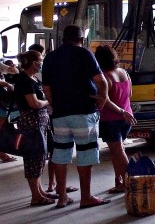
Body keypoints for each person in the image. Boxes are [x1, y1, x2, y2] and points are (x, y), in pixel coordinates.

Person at [42, 24, 111, 209]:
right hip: (84, 112)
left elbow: (46, 87)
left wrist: (54, 104)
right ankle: (86, 196)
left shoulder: (50, 57)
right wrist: (102, 99)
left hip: (60, 115)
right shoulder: (84, 54)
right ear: (81, 39)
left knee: (61, 153)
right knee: (86, 154)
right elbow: (101, 80)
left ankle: (63, 196)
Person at [13, 50, 54, 205]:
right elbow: (34, 103)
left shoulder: (33, 79)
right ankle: (35, 196)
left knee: (40, 157)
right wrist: (48, 102)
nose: (41, 63)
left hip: (39, 123)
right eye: (40, 60)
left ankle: (40, 191)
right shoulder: (24, 81)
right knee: (32, 158)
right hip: (31, 124)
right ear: (33, 62)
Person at [94, 45, 136, 194]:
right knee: (118, 150)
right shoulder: (124, 73)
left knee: (118, 152)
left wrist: (120, 110)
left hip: (111, 119)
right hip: (127, 117)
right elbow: (130, 93)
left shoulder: (104, 77)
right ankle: (119, 181)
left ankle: (130, 182)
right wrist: (124, 109)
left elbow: (105, 100)